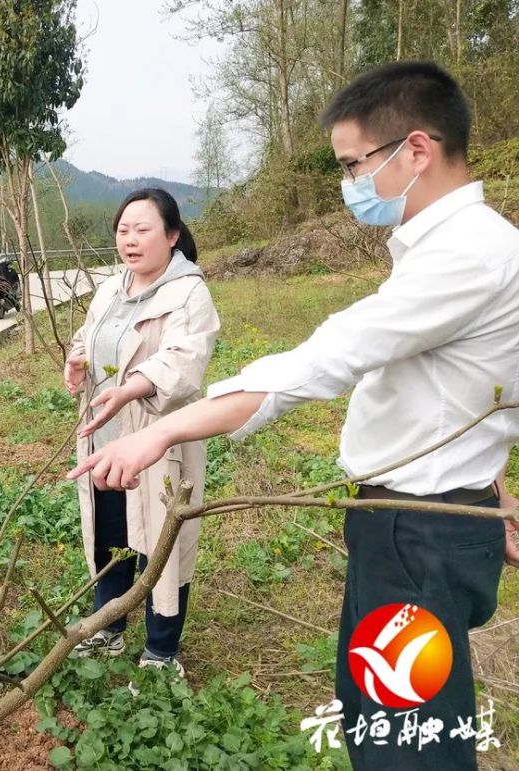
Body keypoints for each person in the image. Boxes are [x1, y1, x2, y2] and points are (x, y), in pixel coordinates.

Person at [70, 62, 519, 769]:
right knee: (391, 714)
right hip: (423, 515)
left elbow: (319, 361)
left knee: (404, 741)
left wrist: (161, 428)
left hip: (415, 530)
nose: (348, 187)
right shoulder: (469, 248)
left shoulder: (464, 258)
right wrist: (491, 475)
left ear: (417, 151)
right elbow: (473, 380)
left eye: (353, 165)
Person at [64, 189, 219, 682]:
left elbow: (183, 362)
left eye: (143, 229)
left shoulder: (189, 293)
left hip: (158, 441)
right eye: (123, 230)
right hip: (105, 438)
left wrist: (132, 388)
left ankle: (160, 649)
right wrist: (77, 360)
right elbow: (88, 336)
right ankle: (109, 625)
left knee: (161, 542)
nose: (129, 240)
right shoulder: (111, 289)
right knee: (112, 535)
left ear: (172, 236)